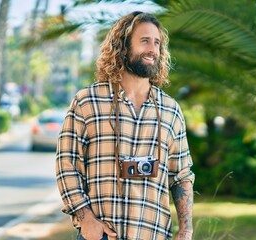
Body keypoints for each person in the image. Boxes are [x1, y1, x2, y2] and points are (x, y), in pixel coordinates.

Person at [55, 11, 195, 240]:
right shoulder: (87, 102)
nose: (152, 49)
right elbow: (67, 164)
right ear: (123, 46)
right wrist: (86, 219)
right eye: (145, 41)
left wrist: (186, 230)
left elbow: (181, 176)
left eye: (157, 43)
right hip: (101, 236)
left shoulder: (171, 110)